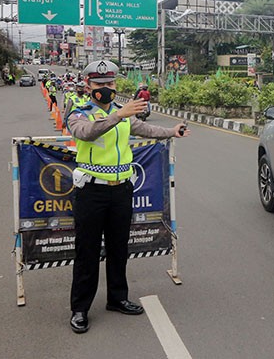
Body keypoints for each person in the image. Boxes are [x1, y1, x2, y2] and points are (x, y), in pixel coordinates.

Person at [66, 60, 190, 334]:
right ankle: (79, 308)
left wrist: (172, 131)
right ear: (88, 86)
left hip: (122, 189)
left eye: (110, 83)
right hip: (91, 191)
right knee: (86, 251)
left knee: (119, 247)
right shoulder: (79, 112)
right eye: (100, 84)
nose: (106, 88)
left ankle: (118, 298)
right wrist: (118, 116)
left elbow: (145, 129)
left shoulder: (123, 114)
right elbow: (84, 133)